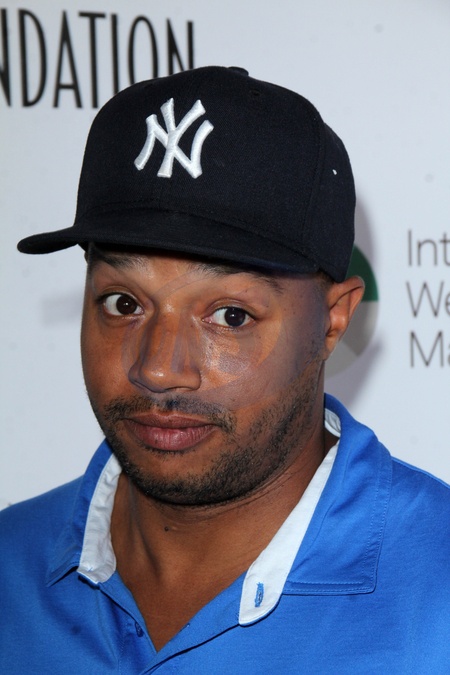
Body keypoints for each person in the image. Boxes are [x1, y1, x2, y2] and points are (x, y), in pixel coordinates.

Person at [1, 66, 449, 673]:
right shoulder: (10, 565)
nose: (159, 370)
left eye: (230, 316)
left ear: (333, 321)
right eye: (123, 304)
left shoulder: (437, 596)